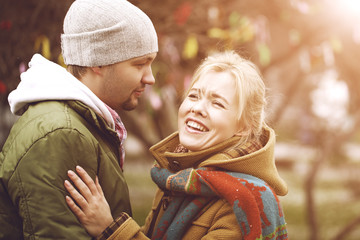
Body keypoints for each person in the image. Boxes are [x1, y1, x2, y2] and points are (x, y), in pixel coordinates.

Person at [64, 51, 288, 239]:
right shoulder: (178, 177)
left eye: (217, 103)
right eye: (193, 95)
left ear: (244, 127)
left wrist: (110, 229)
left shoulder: (243, 203)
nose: (197, 108)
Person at [0, 0, 158, 239]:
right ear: (97, 62)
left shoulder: (79, 124)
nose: (151, 78)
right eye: (140, 64)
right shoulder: (61, 135)